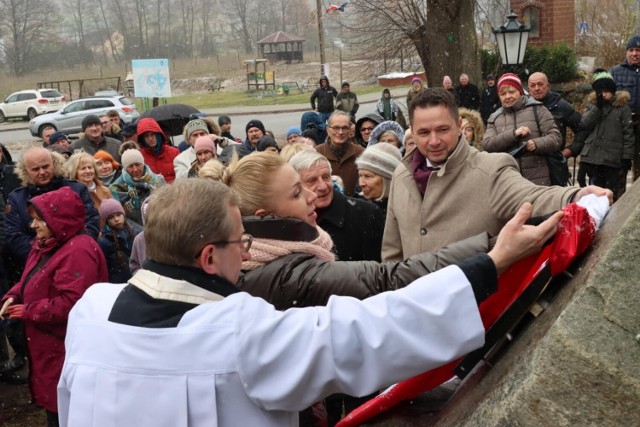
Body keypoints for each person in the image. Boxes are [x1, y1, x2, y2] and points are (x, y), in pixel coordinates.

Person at [58, 177, 563, 426]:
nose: (248, 253)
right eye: (243, 243)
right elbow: (372, 330)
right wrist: (493, 262)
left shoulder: (91, 311)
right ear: (209, 257)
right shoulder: (239, 335)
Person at [382, 87, 613, 262]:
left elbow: (533, 196)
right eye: (423, 132)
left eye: (443, 129)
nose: (433, 141)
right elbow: (392, 251)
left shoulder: (490, 169)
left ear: (459, 124)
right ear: (412, 129)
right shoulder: (401, 175)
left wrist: (578, 194)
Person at [1, 186, 107, 427]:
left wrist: (28, 310)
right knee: (57, 404)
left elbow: (74, 303)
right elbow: (31, 279)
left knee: (68, 409)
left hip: (66, 346)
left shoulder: (79, 250)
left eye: (39, 220)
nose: (32, 226)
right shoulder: (47, 243)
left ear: (59, 219)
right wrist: (13, 295)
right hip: (49, 345)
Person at [6, 148, 100, 272]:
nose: (42, 172)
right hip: (38, 267)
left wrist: (69, 251)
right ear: (25, 171)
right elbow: (15, 237)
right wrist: (46, 254)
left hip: (77, 260)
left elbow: (91, 222)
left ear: (54, 164)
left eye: (46, 166)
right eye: (35, 169)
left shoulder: (77, 189)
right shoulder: (17, 199)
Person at [289, 151, 385, 262]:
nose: (323, 186)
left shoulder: (367, 214)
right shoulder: (290, 219)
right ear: (297, 186)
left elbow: (376, 272)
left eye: (326, 177)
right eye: (311, 180)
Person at [482, 73, 563, 185]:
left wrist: (536, 144)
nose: (507, 96)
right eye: (503, 93)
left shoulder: (538, 109)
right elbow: (487, 145)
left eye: (511, 92)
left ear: (520, 91)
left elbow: (556, 137)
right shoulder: (494, 118)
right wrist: (513, 134)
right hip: (508, 182)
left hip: (539, 181)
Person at [578, 69, 634, 200]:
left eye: (607, 91)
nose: (603, 94)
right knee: (595, 194)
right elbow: (584, 124)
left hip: (612, 159)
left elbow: (628, 134)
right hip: (593, 159)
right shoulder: (593, 105)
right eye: (600, 91)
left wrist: (626, 157)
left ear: (612, 91)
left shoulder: (622, 107)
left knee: (613, 194)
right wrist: (597, 107)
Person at [527, 72, 586, 159]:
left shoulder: (561, 106)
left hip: (555, 162)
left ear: (548, 85)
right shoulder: (523, 108)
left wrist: (571, 150)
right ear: (528, 89)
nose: (537, 88)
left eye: (540, 84)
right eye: (533, 85)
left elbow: (582, 129)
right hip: (531, 163)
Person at [610, 34, 640, 181]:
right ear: (627, 52)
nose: (634, 53)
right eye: (631, 50)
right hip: (622, 129)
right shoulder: (615, 72)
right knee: (619, 170)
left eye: (638, 50)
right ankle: (618, 202)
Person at [109, 149, 164, 226]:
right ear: (125, 168)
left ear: (143, 164)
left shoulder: (158, 181)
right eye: (130, 166)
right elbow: (118, 216)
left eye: (138, 164)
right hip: (132, 229)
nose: (135, 169)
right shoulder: (117, 188)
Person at [315, 111, 365, 195]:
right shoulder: (316, 153)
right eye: (336, 128)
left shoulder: (361, 153)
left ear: (350, 130)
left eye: (344, 128)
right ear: (328, 130)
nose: (340, 132)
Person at [98, 199, 140, 283]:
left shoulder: (136, 233)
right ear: (106, 221)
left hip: (138, 279)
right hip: (117, 284)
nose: (116, 219)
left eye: (118, 214)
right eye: (111, 217)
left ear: (123, 214)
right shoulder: (104, 242)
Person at [355, 142, 402, 215]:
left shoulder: (403, 211)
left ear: (387, 179)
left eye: (368, 176)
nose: (361, 183)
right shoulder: (357, 207)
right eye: (360, 176)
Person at [135, 117, 179, 183]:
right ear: (142, 139)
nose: (150, 139)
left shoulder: (174, 152)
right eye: (146, 136)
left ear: (158, 135)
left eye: (152, 134)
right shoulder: (140, 156)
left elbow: (181, 176)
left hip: (174, 190)